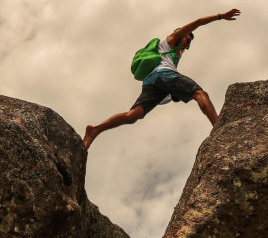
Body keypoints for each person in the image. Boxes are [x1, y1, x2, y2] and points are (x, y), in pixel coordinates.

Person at [83, 8, 241, 149]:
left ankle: (95, 130)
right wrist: (221, 16)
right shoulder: (171, 40)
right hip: (163, 75)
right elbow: (197, 22)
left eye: (191, 41)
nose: (189, 42)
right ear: (181, 34)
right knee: (200, 94)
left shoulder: (175, 54)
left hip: (152, 82)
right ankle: (220, 130)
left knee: (133, 115)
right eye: (188, 38)